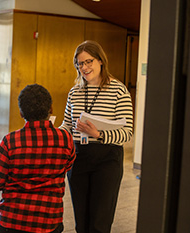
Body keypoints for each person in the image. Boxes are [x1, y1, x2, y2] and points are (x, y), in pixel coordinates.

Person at [59, 40, 133, 233]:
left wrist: (98, 134)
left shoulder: (119, 90)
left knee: (100, 223)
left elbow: (127, 133)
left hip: (107, 160)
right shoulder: (74, 92)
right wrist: (55, 133)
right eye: (80, 64)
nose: (84, 67)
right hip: (78, 158)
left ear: (101, 60)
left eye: (88, 61)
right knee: (81, 223)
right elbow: (67, 125)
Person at [0, 84, 76, 233]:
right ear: (51, 109)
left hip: (12, 221)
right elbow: (67, 166)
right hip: (49, 221)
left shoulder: (10, 141)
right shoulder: (65, 139)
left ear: (21, 113)